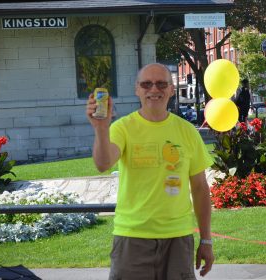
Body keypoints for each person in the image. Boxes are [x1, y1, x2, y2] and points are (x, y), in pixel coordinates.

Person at [86, 63, 214, 279]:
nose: (154, 90)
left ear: (172, 90)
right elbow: (103, 164)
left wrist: (206, 240)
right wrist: (101, 128)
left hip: (178, 238)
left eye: (162, 84)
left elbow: (200, 188)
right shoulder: (122, 128)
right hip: (132, 239)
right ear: (137, 89)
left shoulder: (188, 131)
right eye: (146, 84)